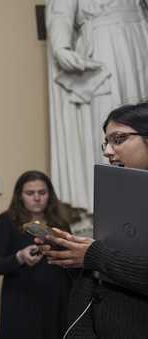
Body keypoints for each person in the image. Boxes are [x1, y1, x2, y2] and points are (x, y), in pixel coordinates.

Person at [40, 102, 148, 338]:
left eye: (118, 139)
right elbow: (114, 265)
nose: (108, 151)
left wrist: (93, 254)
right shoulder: (119, 192)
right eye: (106, 142)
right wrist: (73, 253)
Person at [46, 0, 148, 213]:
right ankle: (113, 202)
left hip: (139, 35)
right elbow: (60, 12)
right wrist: (60, 46)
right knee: (114, 122)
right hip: (104, 41)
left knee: (141, 114)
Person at [0, 170, 71, 339]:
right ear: (20, 196)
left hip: (56, 299)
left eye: (42, 192)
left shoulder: (59, 222)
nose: (37, 198)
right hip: (22, 300)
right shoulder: (6, 221)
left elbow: (69, 258)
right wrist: (20, 257)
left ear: (49, 195)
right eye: (30, 193)